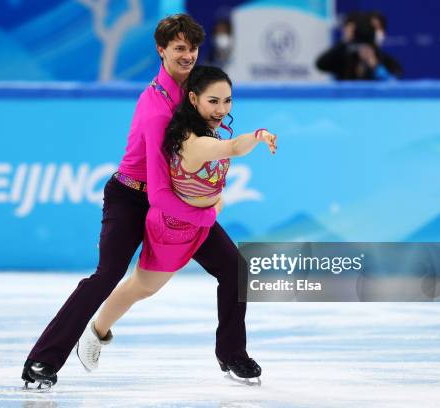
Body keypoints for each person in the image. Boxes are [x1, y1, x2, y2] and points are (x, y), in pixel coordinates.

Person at [21, 14, 259, 389]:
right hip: (133, 197)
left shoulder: (195, 92)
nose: (187, 55)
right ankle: (42, 360)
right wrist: (207, 215)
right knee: (107, 275)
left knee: (234, 269)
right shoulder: (156, 108)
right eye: (179, 48)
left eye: (192, 48)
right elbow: (160, 193)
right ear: (161, 50)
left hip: (175, 199)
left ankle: (233, 355)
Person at [76, 65, 276, 383]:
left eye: (227, 101)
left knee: (235, 270)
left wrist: (212, 204)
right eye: (214, 101)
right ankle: (97, 330)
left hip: (202, 223)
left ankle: (232, 355)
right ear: (194, 99)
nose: (222, 109)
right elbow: (234, 148)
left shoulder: (208, 128)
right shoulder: (194, 141)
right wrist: (258, 136)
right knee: (141, 288)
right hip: (174, 226)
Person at [316, 11, 402, 80]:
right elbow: (321, 64)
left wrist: (375, 66)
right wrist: (344, 42)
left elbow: (393, 82)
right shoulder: (344, 54)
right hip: (345, 100)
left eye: (376, 28)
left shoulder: (381, 57)